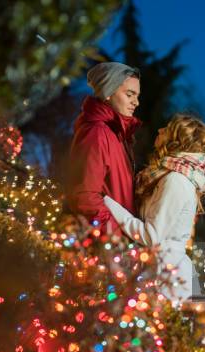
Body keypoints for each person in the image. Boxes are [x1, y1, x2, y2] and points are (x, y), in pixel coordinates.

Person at [103, 114, 205, 303]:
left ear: (178, 141)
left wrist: (107, 202)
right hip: (162, 275)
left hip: (168, 282)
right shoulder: (170, 177)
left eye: (166, 129)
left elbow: (152, 236)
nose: (160, 130)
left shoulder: (176, 181)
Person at [66, 62, 141, 230]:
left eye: (137, 96)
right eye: (130, 94)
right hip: (107, 247)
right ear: (108, 93)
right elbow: (85, 197)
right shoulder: (97, 133)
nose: (136, 102)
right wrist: (118, 238)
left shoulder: (119, 135)